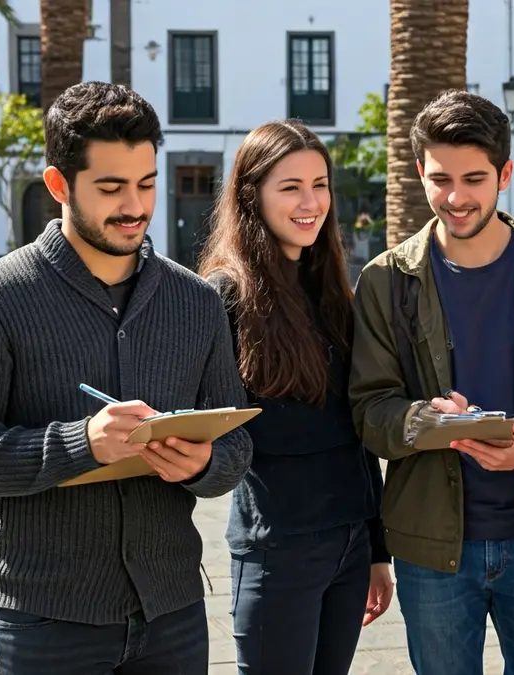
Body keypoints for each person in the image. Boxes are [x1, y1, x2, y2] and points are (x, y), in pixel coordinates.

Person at [0, 82, 253, 674]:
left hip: (172, 616)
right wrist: (83, 444)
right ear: (58, 185)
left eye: (146, 183)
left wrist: (205, 465)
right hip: (44, 623)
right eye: (111, 188)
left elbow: (235, 445)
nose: (135, 205)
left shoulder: (197, 301)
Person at [347, 89, 514, 675]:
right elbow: (369, 409)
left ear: (505, 174)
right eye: (440, 178)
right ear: (420, 172)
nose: (456, 197)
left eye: (473, 178)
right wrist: (425, 420)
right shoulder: (385, 281)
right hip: (430, 546)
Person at [197, 120, 394, 675]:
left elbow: (357, 433)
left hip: (350, 546)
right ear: (251, 195)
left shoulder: (333, 291)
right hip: (277, 548)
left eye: (321, 184)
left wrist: (377, 549)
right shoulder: (224, 297)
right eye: (290, 187)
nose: (311, 203)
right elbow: (216, 430)